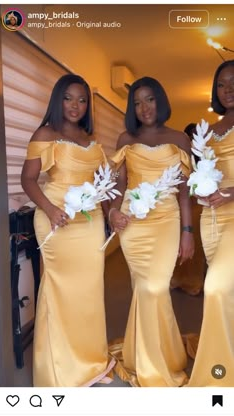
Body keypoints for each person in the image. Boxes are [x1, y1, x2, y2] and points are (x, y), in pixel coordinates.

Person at [21, 74, 115, 387]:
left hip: (88, 223)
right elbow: (29, 179)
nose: (75, 105)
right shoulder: (46, 133)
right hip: (54, 219)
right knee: (59, 291)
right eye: (68, 98)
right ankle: (59, 370)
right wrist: (49, 209)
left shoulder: (92, 140)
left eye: (82, 99)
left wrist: (111, 216)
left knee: (88, 292)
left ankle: (90, 364)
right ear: (58, 99)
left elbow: (104, 187)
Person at [108, 76, 194, 386]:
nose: (144, 107)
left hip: (166, 220)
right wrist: (113, 212)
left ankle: (154, 359)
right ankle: (153, 357)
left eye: (150, 99)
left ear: (161, 100)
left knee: (154, 288)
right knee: (143, 290)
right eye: (137, 102)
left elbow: (184, 192)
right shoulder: (125, 141)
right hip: (133, 222)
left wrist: (187, 231)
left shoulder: (179, 140)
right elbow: (119, 185)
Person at [187, 59, 234, 386]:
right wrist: (199, 190)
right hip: (211, 219)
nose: (228, 89)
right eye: (221, 84)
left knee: (216, 288)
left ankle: (219, 379)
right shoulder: (208, 132)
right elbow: (198, 177)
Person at [170, 122, 206, 296]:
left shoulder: (204, 155)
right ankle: (177, 277)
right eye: (190, 136)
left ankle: (194, 280)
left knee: (196, 240)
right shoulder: (180, 153)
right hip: (182, 199)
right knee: (178, 238)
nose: (192, 139)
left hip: (199, 201)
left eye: (195, 135)